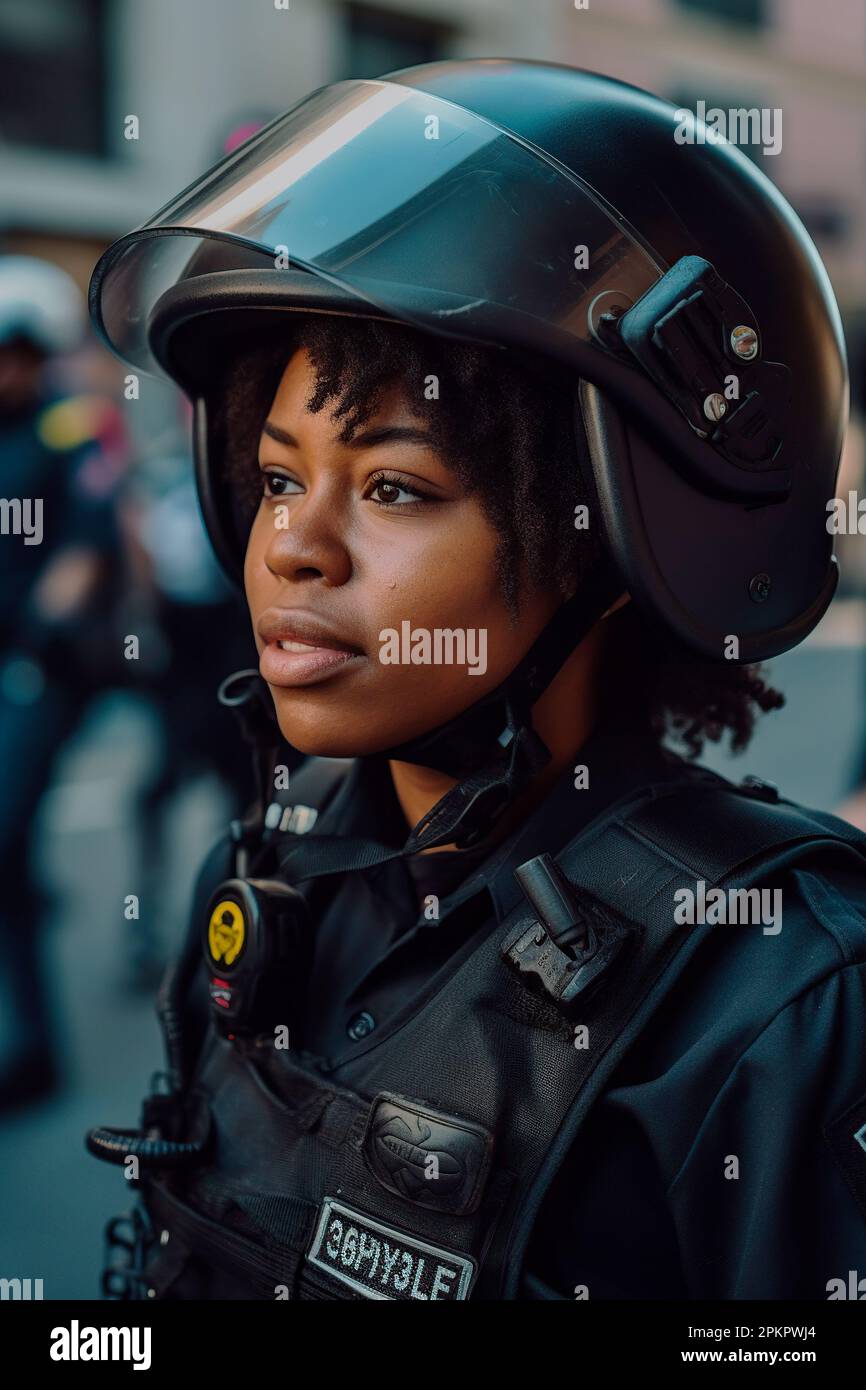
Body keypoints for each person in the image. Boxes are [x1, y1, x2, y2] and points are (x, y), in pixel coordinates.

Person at [85, 61, 866, 1301]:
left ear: (612, 539)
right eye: (279, 477)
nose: (291, 543)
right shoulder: (267, 867)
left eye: (395, 487)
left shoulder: (783, 1001)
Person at [0, 256, 124, 1110]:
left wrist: (43, 625)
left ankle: (37, 1051)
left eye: (14, 351)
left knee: (2, 843)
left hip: (38, 669)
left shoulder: (68, 427)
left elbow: (82, 549)